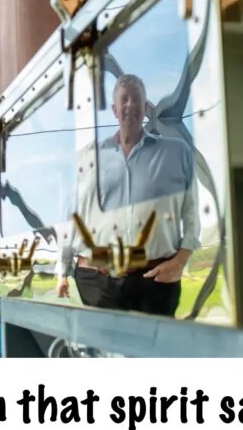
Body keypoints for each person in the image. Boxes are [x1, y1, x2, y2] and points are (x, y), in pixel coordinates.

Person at [57, 74, 200, 316]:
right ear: (114, 109)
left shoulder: (177, 153)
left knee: (157, 351)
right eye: (124, 100)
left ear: (146, 108)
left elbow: (191, 212)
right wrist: (62, 271)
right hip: (96, 282)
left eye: (136, 100)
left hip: (155, 281)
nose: (130, 105)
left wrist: (180, 261)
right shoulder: (87, 158)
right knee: (101, 351)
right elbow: (70, 217)